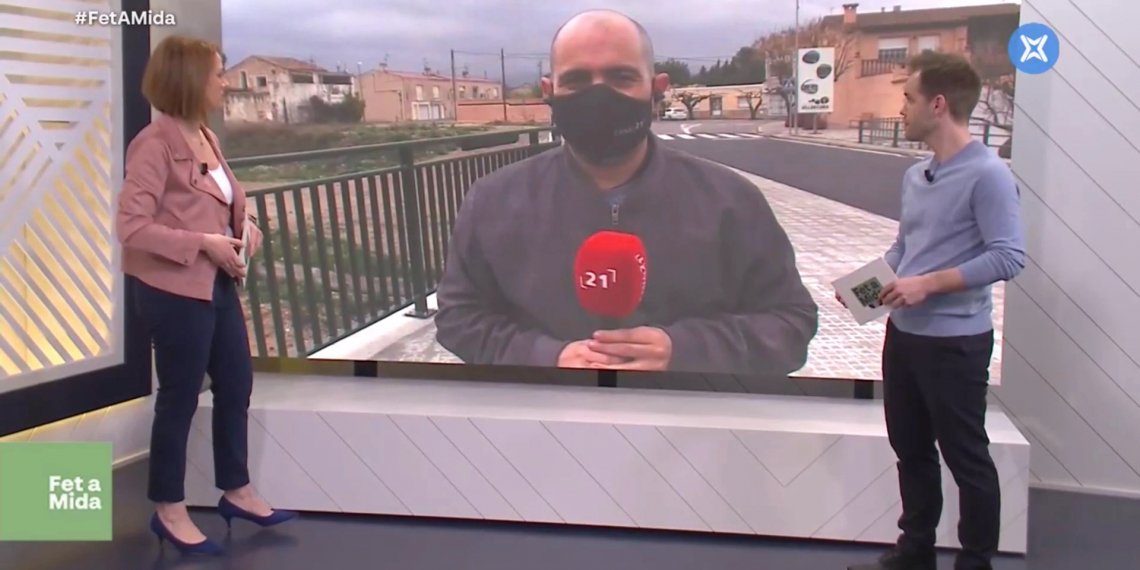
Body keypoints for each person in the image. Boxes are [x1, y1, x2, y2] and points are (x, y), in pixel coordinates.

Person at [433, 10, 818, 376]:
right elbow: (458, 317)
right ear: (549, 91)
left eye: (621, 77)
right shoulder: (494, 201)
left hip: (687, 417)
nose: (599, 96)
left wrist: (685, 351)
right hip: (546, 414)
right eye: (577, 80)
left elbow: (791, 323)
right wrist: (544, 357)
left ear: (657, 88)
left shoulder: (731, 201)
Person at [116, 35, 296, 555]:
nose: (226, 81)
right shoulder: (154, 144)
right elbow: (131, 228)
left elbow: (225, 199)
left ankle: (236, 490)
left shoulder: (205, 137)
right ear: (191, 79)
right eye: (218, 73)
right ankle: (168, 509)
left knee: (236, 383)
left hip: (214, 284)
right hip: (172, 290)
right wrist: (203, 244)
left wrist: (247, 226)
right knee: (179, 397)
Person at [845, 51, 1025, 570]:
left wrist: (928, 285)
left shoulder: (988, 176)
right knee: (912, 450)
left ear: (938, 104)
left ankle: (974, 561)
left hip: (956, 342)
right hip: (904, 337)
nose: (901, 109)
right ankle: (915, 550)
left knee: (966, 457)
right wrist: (864, 290)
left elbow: (1008, 256)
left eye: (909, 98)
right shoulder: (915, 175)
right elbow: (906, 248)